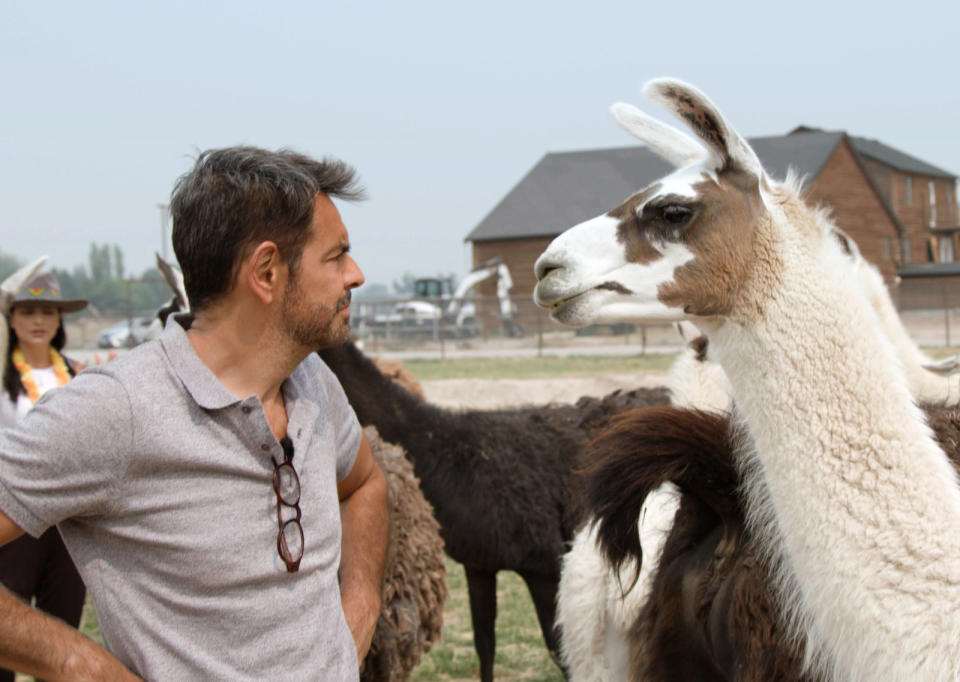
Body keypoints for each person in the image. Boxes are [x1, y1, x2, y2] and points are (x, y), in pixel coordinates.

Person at [0, 146, 389, 681]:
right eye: (336, 255)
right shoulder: (119, 409)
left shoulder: (314, 381)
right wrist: (82, 666)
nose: (357, 274)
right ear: (267, 272)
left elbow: (366, 483)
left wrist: (358, 612)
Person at [0, 272, 89, 682]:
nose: (38, 320)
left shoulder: (81, 376)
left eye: (47, 312)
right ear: (11, 319)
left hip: (66, 521)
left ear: (59, 321)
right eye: (28, 311)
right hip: (12, 517)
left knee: (63, 627)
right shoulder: (3, 378)